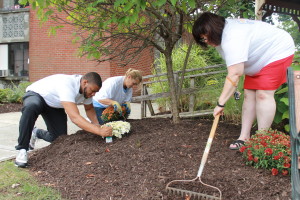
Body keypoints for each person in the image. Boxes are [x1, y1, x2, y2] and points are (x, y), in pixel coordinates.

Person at [192, 12, 295, 150]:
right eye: (203, 40)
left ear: (213, 29)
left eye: (206, 38)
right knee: (249, 95)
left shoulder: (233, 36)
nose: (207, 42)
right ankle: (244, 137)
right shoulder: (221, 36)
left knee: (263, 94)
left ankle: (261, 140)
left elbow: (235, 73)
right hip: (256, 59)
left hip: (276, 51)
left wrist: (220, 103)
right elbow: (236, 68)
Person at [15, 72, 113, 167]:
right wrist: (99, 131)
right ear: (85, 82)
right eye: (93, 91)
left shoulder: (86, 92)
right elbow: (75, 117)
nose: (94, 94)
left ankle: (35, 132)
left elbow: (89, 109)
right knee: (31, 107)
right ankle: (22, 149)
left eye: (96, 92)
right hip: (37, 95)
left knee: (59, 138)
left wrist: (97, 124)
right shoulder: (68, 85)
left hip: (54, 105)